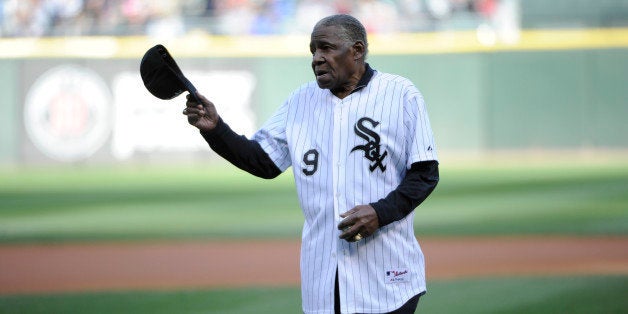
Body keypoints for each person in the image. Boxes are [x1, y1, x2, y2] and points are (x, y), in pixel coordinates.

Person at [182, 14, 439, 314]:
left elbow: (425, 174)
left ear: (356, 51)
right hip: (323, 281)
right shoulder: (299, 102)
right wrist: (216, 129)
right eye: (313, 50)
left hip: (388, 275)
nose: (317, 58)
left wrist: (380, 212)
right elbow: (263, 161)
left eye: (326, 48)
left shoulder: (400, 95)